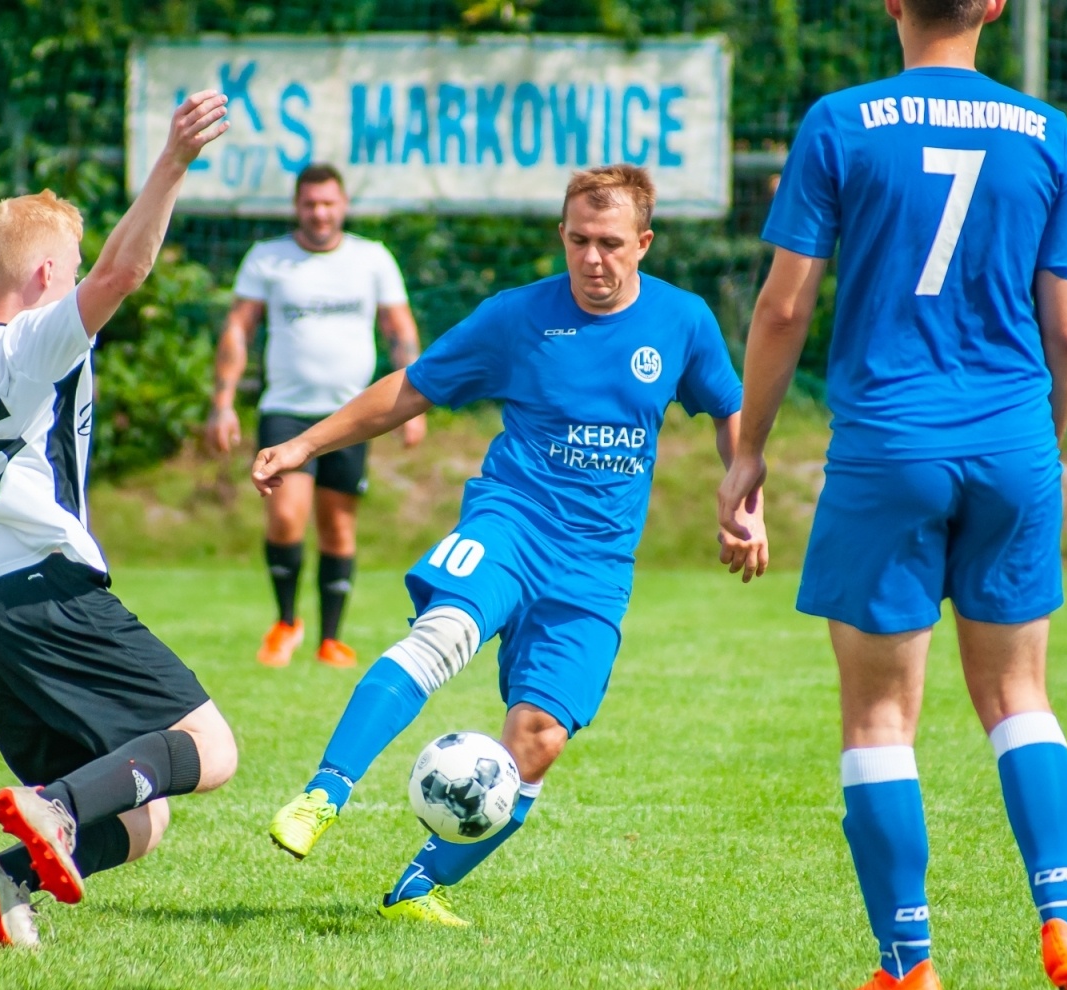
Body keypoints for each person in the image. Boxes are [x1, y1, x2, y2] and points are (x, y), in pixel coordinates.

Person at [716, 0, 1067, 990]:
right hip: (1010, 440)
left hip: (888, 445)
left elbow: (782, 305)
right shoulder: (1046, 132)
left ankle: (907, 967)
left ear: (891, 3)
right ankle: (1066, 921)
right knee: (1017, 696)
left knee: (879, 714)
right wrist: (1037, 443)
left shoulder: (840, 122)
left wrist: (748, 452)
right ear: (993, 6)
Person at [255, 164, 767, 926]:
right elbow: (410, 387)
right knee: (445, 632)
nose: (594, 259)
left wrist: (745, 502)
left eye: (612, 244)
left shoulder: (682, 320)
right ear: (562, 236)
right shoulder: (517, 316)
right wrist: (305, 446)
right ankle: (324, 793)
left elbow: (732, 411)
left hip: (596, 565)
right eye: (580, 240)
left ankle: (416, 891)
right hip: (511, 520)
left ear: (645, 244)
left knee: (539, 739)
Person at [0, 91, 239, 947]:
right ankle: (55, 813)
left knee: (145, 816)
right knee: (209, 749)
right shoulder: (35, 344)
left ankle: (4, 878)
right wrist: (171, 163)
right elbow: (123, 273)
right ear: (45, 279)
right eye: (65, 268)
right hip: (52, 596)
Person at [207, 164, 425, 670]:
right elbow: (238, 329)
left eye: (328, 203)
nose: (319, 213)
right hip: (286, 410)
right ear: (296, 207)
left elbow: (400, 330)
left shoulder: (372, 259)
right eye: (310, 204)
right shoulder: (268, 259)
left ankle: (331, 640)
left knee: (338, 527)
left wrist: (413, 406)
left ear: (343, 204)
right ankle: (285, 623)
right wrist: (222, 402)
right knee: (285, 515)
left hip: (354, 414)